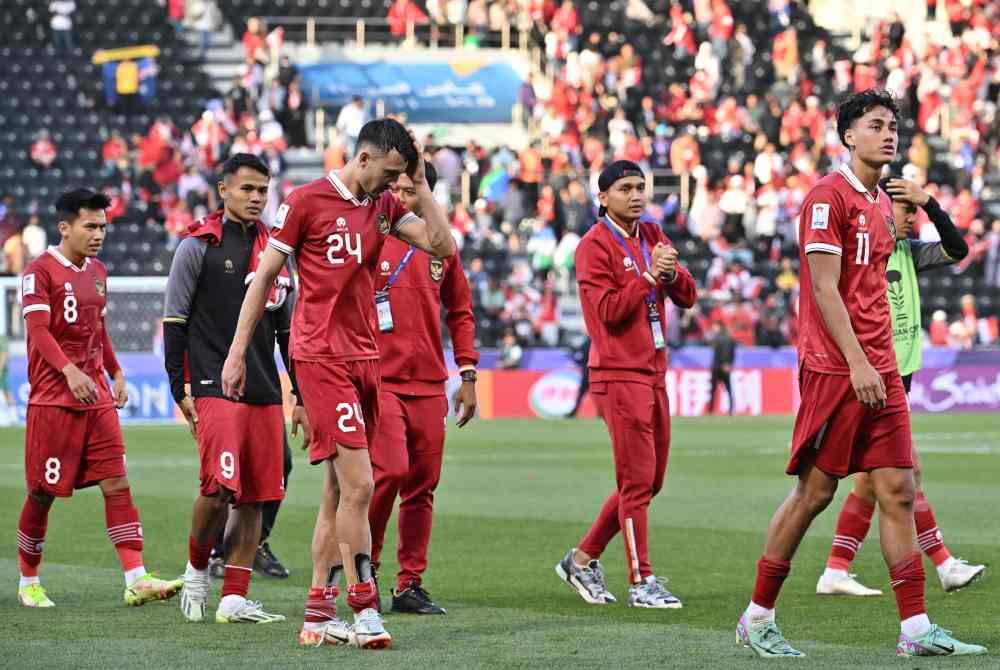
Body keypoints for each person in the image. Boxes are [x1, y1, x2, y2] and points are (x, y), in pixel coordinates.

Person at [735, 90, 985, 658]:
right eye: (876, 125)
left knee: (898, 489)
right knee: (814, 493)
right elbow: (825, 288)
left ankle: (916, 629)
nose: (889, 134)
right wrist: (857, 362)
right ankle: (758, 616)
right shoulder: (828, 198)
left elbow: (946, 252)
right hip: (837, 369)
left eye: (893, 125)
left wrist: (878, 363)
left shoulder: (880, 204)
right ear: (848, 135)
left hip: (883, 368)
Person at [220, 118, 455, 649]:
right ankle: (365, 607)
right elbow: (262, 281)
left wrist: (419, 187)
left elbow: (442, 246)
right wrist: (237, 352)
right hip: (320, 357)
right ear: (365, 159)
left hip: (366, 358)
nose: (394, 184)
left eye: (404, 175)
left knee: (335, 495)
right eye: (390, 173)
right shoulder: (306, 202)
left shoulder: (387, 207)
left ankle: (317, 614)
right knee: (361, 486)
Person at [816, 176, 983, 597]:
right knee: (907, 471)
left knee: (870, 481)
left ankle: (836, 569)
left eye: (914, 210)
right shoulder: (865, 255)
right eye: (905, 209)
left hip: (897, 374)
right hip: (872, 374)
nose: (913, 218)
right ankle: (943, 564)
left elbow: (958, 250)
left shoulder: (909, 253)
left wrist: (929, 201)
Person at [16, 188, 183, 608]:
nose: (98, 234)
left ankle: (136, 576)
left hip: (96, 398)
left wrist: (117, 371)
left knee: (117, 482)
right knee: (42, 492)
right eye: (90, 226)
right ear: (65, 227)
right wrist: (69, 371)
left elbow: (99, 331)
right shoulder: (39, 272)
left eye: (103, 227)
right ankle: (28, 580)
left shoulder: (99, 272)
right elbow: (38, 332)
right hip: (54, 400)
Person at [163, 154, 305, 624]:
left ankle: (234, 597)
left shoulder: (277, 250)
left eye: (263, 190)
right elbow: (175, 320)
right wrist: (176, 384)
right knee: (219, 487)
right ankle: (197, 567)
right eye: (247, 189)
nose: (256, 198)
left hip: (264, 387)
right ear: (223, 190)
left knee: (257, 496)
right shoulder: (197, 246)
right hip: (211, 382)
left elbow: (288, 332)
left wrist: (300, 395)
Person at [555, 160, 696, 609]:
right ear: (603, 198)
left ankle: (582, 558)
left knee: (649, 481)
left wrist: (671, 274)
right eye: (625, 189)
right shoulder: (592, 247)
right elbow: (611, 312)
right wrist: (651, 276)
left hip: (653, 369)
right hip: (617, 372)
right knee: (636, 481)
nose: (636, 196)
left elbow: (688, 297)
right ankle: (642, 581)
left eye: (641, 187)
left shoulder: (652, 235)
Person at [368, 162, 479, 615]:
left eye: (410, 190)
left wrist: (467, 376)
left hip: (430, 384)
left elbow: (461, 311)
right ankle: (364, 569)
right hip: (379, 380)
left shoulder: (441, 248)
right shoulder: (367, 239)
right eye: (393, 189)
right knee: (388, 473)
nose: (401, 198)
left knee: (422, 486)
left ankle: (408, 583)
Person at [704, 320, 735, 415]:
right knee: (728, 389)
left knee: (713, 390)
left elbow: (709, 344)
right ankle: (730, 410)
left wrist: (723, 363)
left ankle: (711, 410)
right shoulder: (730, 340)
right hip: (725, 367)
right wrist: (728, 364)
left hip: (717, 367)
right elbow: (732, 354)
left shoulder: (717, 339)